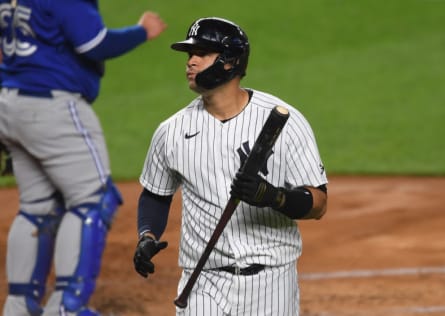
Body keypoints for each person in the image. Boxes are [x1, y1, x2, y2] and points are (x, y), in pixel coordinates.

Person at [133, 17, 328, 315]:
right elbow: (156, 194)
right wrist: (147, 236)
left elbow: (318, 203)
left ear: (229, 61)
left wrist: (273, 197)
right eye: (189, 55)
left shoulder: (284, 121)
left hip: (271, 282)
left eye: (202, 53)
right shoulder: (171, 131)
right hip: (202, 282)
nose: (191, 62)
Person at [0, 1, 167, 315]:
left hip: (10, 102)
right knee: (94, 199)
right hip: (52, 105)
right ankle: (68, 307)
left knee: (37, 207)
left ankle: (18, 306)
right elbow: (95, 43)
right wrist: (142, 31)